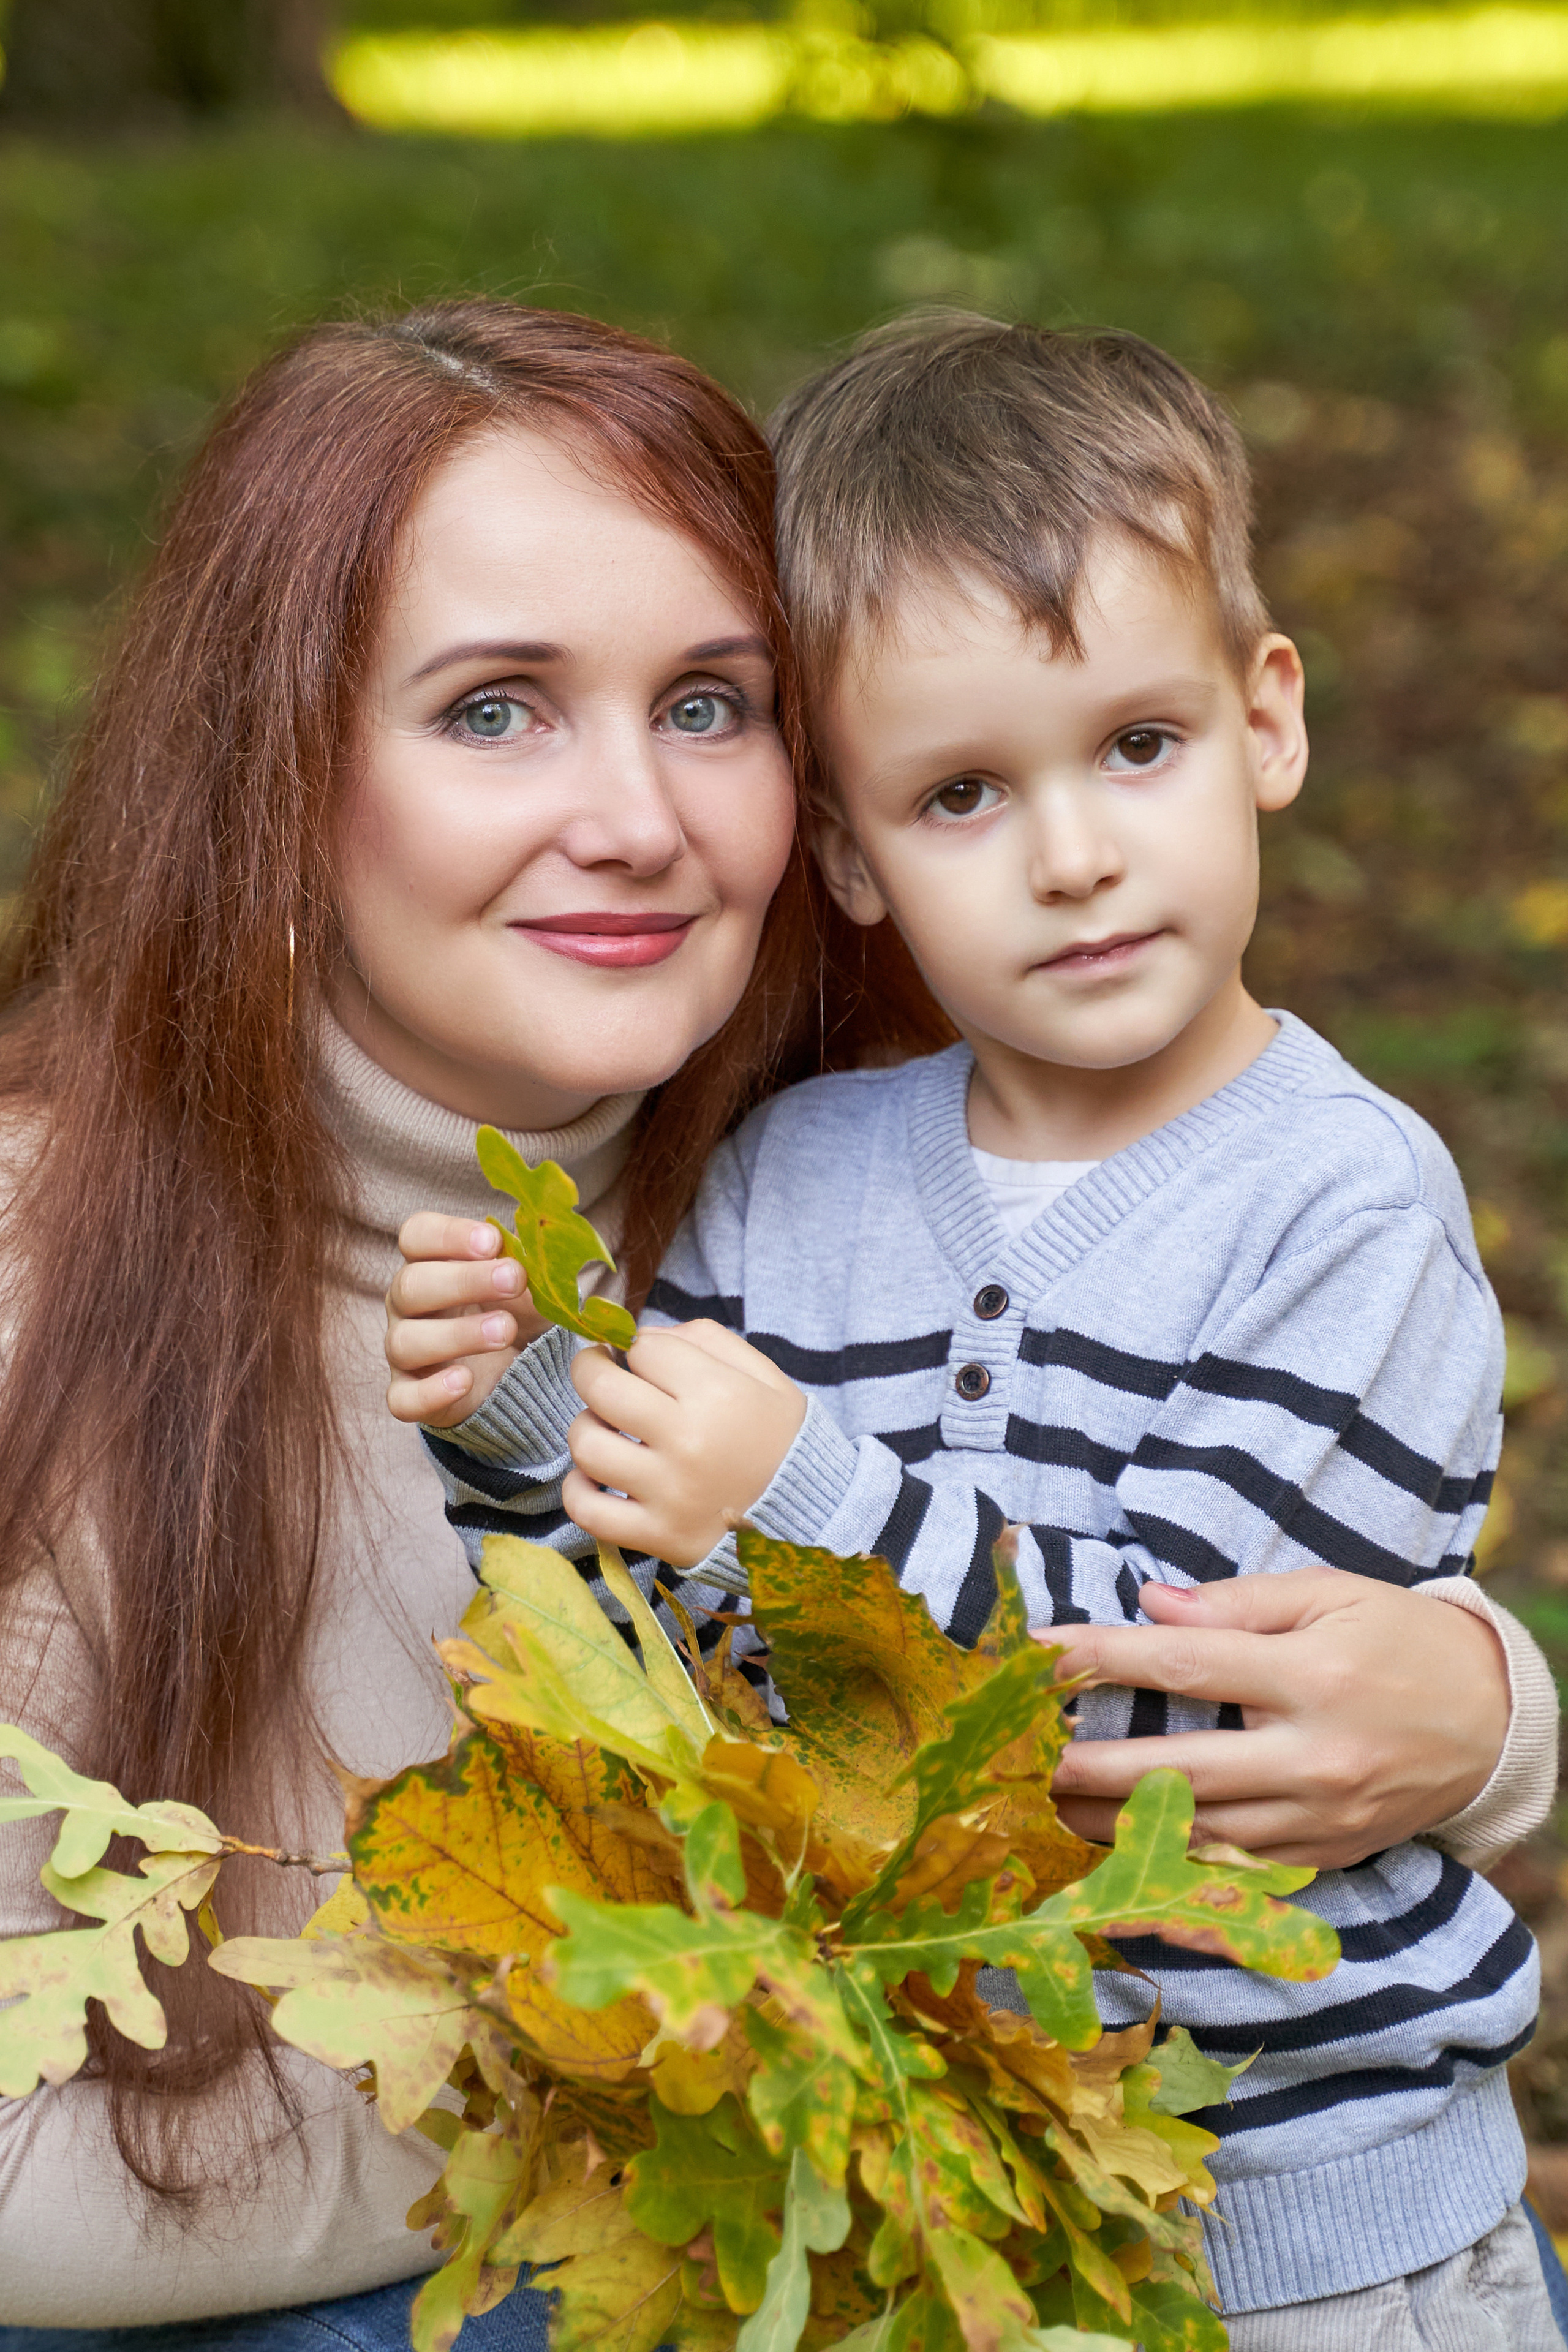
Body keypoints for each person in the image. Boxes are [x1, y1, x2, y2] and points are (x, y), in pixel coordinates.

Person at [391, 318, 1564, 2349]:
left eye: (1137, 744)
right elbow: (683, 1677)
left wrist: (802, 1489)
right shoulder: (788, 1181)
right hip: (917, 2183)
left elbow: (1179, 1729)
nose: (1076, 854)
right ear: (846, 855)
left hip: (1304, 2230)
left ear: (1266, 718)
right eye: (959, 793)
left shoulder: (1338, 1209)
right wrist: (527, 1416)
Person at [0, 295, 954, 2344]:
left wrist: (1475, 1714)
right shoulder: (35, 1272)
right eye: (495, 710)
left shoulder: (881, 1177)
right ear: (278, 769)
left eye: (712, 704)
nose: (636, 818)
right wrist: (668, 2097)